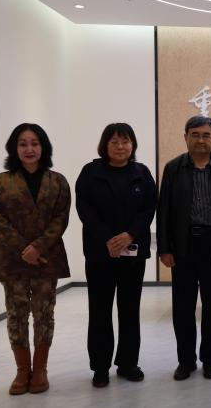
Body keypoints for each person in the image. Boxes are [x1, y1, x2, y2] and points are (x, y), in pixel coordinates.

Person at [0, 123, 70, 395]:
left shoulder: (58, 182)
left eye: (34, 143)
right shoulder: (1, 182)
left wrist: (38, 248)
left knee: (44, 313)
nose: (29, 149)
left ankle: (41, 369)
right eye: (23, 144)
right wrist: (25, 249)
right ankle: (22, 370)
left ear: (43, 147)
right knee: (16, 314)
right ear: (14, 148)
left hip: (47, 258)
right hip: (13, 259)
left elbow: (61, 219)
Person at [75, 123, 157, 387]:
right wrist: (107, 239)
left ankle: (128, 363)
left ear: (132, 145)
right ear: (105, 145)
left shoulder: (142, 173)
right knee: (99, 311)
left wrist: (129, 235)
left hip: (133, 253)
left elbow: (149, 208)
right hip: (100, 254)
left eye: (125, 141)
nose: (120, 146)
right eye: (114, 142)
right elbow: (84, 208)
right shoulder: (90, 172)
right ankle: (100, 367)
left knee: (130, 310)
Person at [157, 115, 211, 380]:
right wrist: (164, 248)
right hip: (183, 246)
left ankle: (210, 360)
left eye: (206, 135)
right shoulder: (173, 168)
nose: (201, 140)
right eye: (195, 134)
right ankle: (186, 361)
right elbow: (164, 210)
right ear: (186, 137)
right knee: (183, 308)